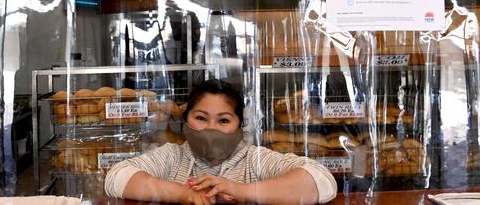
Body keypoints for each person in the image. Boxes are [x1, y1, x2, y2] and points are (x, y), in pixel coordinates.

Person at [105, 80, 337, 204]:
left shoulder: (255, 159)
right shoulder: (172, 156)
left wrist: (239, 190)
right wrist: (183, 194)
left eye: (223, 120)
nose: (211, 129)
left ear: (239, 125)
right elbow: (117, 178)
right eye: (201, 118)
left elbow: (322, 182)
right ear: (185, 122)